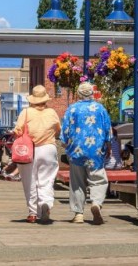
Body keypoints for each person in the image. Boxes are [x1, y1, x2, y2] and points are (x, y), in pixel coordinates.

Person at [60, 82, 113, 225]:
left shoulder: (72, 109)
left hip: (76, 150)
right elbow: (108, 129)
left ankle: (78, 214)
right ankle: (96, 203)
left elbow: (65, 130)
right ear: (92, 93)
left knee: (77, 182)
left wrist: (65, 143)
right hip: (95, 150)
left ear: (78, 93)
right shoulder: (100, 109)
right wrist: (108, 146)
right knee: (99, 180)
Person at [13, 85, 61, 223]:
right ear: (45, 99)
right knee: (46, 180)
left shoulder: (26, 112)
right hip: (48, 148)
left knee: (30, 181)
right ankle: (45, 203)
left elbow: (18, 131)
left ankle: (33, 213)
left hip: (30, 150)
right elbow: (58, 130)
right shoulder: (52, 112)